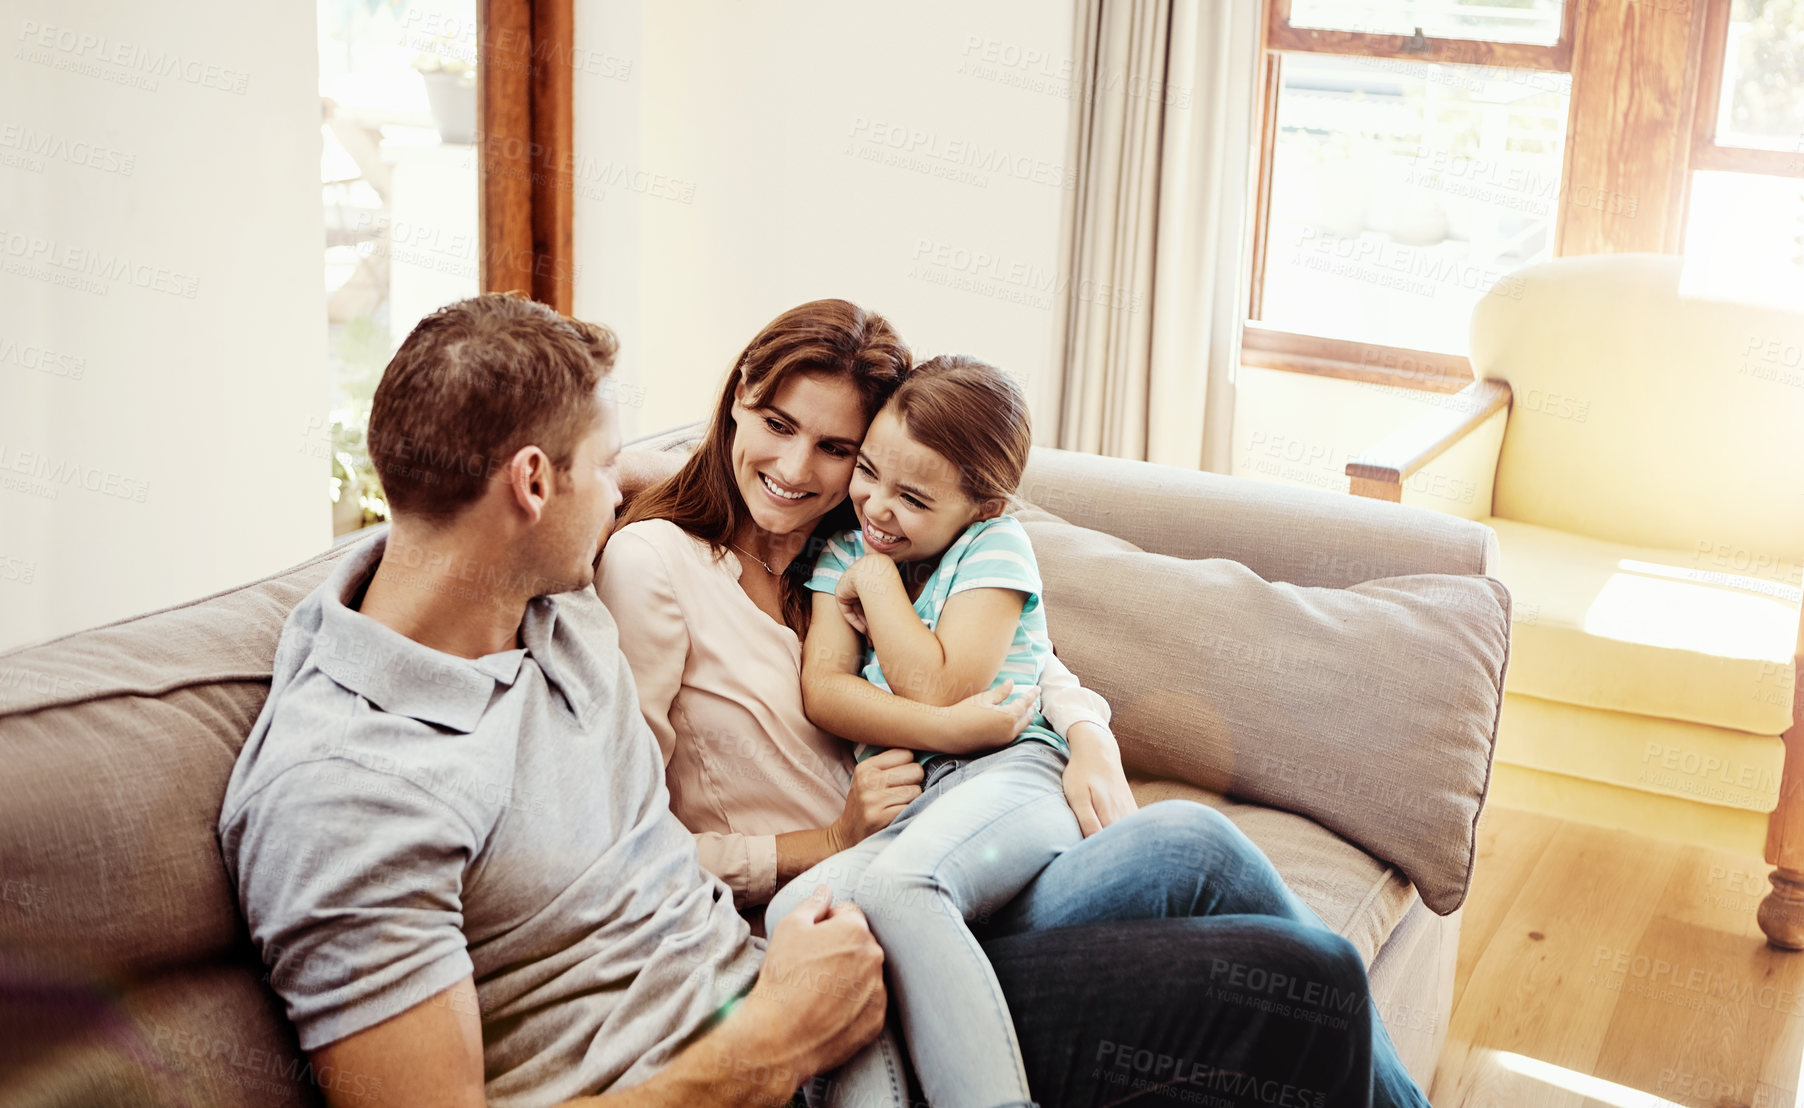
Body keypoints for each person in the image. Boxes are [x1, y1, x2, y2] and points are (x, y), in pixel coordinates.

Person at [219, 292, 1386, 1108]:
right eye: (603, 465)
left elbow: (980, 627)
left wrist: (1078, 723)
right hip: (775, 1049)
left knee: (1290, 966)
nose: (627, 492)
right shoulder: (346, 790)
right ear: (531, 483)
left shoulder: (539, 607)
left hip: (823, 982)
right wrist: (766, 1048)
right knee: (1297, 995)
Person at [598, 299, 1432, 1108]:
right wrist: (824, 841)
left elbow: (1010, 662)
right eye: (777, 424)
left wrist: (1086, 731)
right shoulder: (656, 565)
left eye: (835, 449)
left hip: (954, 850)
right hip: (852, 913)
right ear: (739, 393)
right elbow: (619, 861)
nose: (794, 470)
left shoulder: (849, 534)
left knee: (1203, 847)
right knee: (1300, 974)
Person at [756, 355, 1088, 1108]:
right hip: (916, 801)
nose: (875, 507)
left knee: (903, 889)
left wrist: (875, 585)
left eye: (913, 498)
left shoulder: (993, 550)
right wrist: (944, 728)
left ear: (983, 506)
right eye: (869, 472)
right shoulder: (841, 548)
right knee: (798, 915)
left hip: (1015, 774)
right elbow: (825, 692)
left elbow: (944, 684)